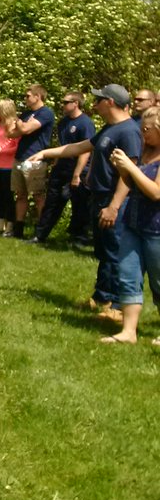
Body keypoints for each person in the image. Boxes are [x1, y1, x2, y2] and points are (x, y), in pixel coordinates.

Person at [29, 84, 141, 321]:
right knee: (104, 252)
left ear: (110, 102)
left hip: (114, 201)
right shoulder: (110, 128)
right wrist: (47, 153)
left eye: (99, 100)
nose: (95, 104)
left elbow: (129, 174)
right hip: (99, 198)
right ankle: (102, 298)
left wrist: (114, 206)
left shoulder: (129, 131)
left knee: (116, 254)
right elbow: (81, 147)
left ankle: (118, 307)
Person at [100, 107, 160, 344]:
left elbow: (156, 192)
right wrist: (122, 168)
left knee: (158, 280)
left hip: (156, 228)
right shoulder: (145, 151)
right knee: (128, 274)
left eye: (146, 129)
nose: (142, 134)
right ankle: (128, 332)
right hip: (133, 223)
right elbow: (132, 182)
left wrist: (131, 167)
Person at [30, 91, 95, 244]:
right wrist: (56, 164)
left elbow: (85, 151)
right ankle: (40, 235)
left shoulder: (85, 123)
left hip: (78, 169)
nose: (62, 105)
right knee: (52, 202)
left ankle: (78, 237)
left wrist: (77, 174)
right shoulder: (63, 123)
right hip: (62, 168)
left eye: (66, 102)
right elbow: (62, 146)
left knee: (80, 205)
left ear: (76, 104)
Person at [5, 84, 55, 238]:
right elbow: (11, 133)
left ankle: (40, 232)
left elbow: (25, 130)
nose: (25, 99)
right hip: (20, 157)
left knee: (38, 196)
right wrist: (16, 121)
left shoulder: (45, 113)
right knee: (20, 195)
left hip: (35, 159)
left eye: (27, 96)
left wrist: (20, 123)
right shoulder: (27, 114)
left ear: (37, 96)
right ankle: (18, 230)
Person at [0, 99, 20, 236]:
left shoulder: (16, 124)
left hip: (8, 165)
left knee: (8, 195)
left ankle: (10, 224)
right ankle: (0, 224)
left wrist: (2, 150)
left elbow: (17, 146)